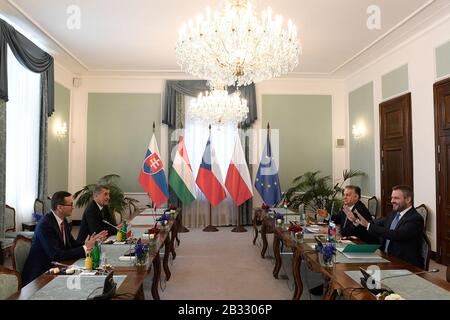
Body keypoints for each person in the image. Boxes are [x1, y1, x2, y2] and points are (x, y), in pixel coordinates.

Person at [22, 191, 107, 286]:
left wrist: (90, 242)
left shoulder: (63, 221)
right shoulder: (45, 225)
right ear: (59, 207)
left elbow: (71, 244)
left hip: (56, 268)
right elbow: (56, 255)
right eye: (70, 204)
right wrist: (85, 248)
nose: (73, 207)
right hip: (40, 276)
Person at [355, 185, 424, 268]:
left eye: (396, 198)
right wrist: (357, 221)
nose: (392, 201)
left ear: (408, 199)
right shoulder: (394, 213)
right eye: (392, 198)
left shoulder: (415, 218)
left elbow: (396, 235)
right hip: (386, 257)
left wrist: (368, 225)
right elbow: (376, 223)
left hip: (405, 264)